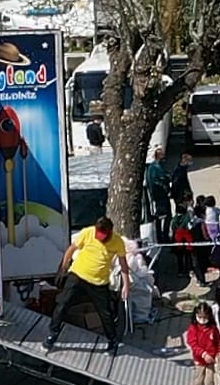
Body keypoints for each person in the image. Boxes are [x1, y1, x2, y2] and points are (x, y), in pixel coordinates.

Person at [44, 217, 129, 355]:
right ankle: (52, 334)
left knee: (105, 312)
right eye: (98, 236)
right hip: (78, 275)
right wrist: (63, 268)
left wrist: (126, 285)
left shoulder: (117, 242)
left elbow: (124, 265)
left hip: (99, 282)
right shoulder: (88, 233)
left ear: (110, 232)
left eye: (104, 238)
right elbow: (71, 249)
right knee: (63, 303)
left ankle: (112, 341)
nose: (100, 240)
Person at [185, 301, 220, 385]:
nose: (202, 320)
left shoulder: (213, 328)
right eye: (199, 317)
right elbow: (192, 343)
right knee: (199, 376)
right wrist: (203, 354)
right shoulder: (193, 328)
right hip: (199, 359)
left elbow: (218, 341)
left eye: (204, 317)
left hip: (211, 359)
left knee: (210, 379)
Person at [145, 146, 173, 243]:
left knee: (162, 217)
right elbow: (163, 178)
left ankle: (161, 235)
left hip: (158, 196)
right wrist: (166, 182)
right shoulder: (156, 167)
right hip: (160, 196)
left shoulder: (152, 167)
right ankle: (163, 237)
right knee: (165, 216)